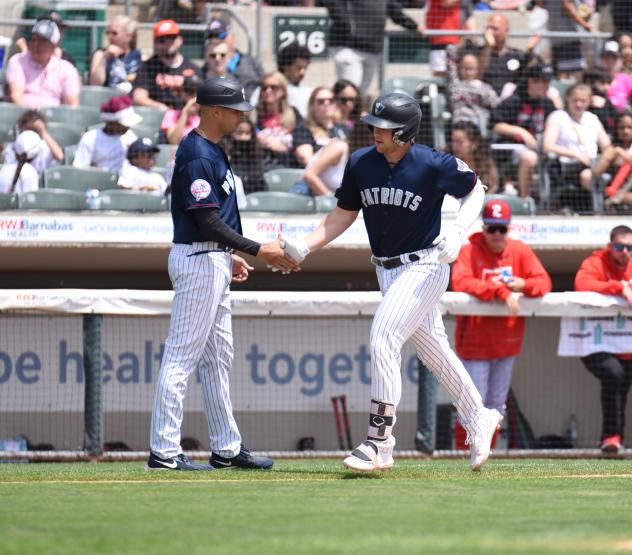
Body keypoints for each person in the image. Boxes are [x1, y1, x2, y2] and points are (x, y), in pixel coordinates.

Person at [281, 92, 502, 472]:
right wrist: (305, 246)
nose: (374, 131)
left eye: (383, 127)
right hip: (387, 269)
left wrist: (459, 230)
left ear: (404, 132)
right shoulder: (361, 162)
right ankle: (478, 416)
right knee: (434, 351)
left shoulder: (432, 163)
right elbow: (343, 214)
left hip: (427, 265)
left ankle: (380, 442)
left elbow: (476, 189)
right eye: (373, 124)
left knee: (383, 337)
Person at [147, 75, 299, 471]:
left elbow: (210, 225)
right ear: (215, 110)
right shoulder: (198, 153)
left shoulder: (213, 149)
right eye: (235, 110)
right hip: (199, 259)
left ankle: (226, 448)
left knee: (218, 359)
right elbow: (207, 221)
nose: (241, 117)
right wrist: (257, 248)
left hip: (211, 258)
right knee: (181, 356)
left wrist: (227, 253)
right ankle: (164, 452)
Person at [450, 199, 552, 449]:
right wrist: (499, 291)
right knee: (472, 405)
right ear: (483, 228)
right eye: (492, 228)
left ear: (509, 228)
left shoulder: (519, 251)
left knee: (496, 406)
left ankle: (487, 455)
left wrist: (523, 285)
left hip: (506, 344)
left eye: (502, 229)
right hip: (474, 346)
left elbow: (543, 282)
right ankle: (462, 458)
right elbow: (460, 282)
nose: (497, 234)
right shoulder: (469, 251)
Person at [574, 225, 632, 454]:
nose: (624, 251)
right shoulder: (595, 262)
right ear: (610, 246)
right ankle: (611, 437)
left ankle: (612, 440)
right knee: (614, 374)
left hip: (626, 345)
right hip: (593, 343)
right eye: (619, 246)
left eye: (629, 247)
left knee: (620, 386)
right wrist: (619, 288)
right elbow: (583, 284)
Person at [321, 0, 423, 92]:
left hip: (372, 49)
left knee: (361, 94)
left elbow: (395, 11)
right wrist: (348, 25)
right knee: (349, 91)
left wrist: (414, 26)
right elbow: (332, 3)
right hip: (348, 48)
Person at [542, 83, 613, 212]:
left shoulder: (592, 118)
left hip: (593, 165)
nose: (579, 104)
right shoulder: (558, 117)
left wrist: (604, 160)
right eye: (575, 100)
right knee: (588, 177)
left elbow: (607, 146)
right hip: (565, 167)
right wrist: (575, 154)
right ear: (567, 98)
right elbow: (547, 146)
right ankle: (600, 210)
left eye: (583, 101)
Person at [491, 62, 557, 199]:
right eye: (544, 82)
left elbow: (559, 121)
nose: (547, 86)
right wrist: (522, 132)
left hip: (540, 149)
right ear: (532, 82)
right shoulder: (515, 100)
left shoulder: (547, 103)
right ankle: (524, 200)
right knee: (529, 157)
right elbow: (495, 125)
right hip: (510, 150)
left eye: (548, 82)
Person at [5, 19, 80, 109]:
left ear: (54, 45)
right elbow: (16, 96)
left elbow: (72, 104)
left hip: (55, 118)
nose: (37, 44)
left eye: (44, 41)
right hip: (23, 118)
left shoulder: (67, 69)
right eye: (35, 39)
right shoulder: (17, 61)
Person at [132, 19, 201, 110]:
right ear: (155, 43)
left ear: (180, 40)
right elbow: (138, 98)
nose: (167, 43)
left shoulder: (193, 68)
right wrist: (162, 108)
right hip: (158, 119)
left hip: (187, 119)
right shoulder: (147, 68)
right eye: (162, 40)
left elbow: (201, 99)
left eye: (171, 37)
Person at [252, 71, 314, 172]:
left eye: (273, 87)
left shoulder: (294, 114)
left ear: (283, 91)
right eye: (264, 88)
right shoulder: (253, 116)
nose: (268, 91)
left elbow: (303, 142)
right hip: (260, 169)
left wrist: (283, 149)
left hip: (289, 166)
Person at [475, 13, 539, 98]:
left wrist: (530, 51)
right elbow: (477, 75)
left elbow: (529, 74)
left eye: (495, 29)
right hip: (484, 99)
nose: (490, 32)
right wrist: (488, 47)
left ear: (507, 31)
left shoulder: (516, 54)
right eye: (488, 29)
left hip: (510, 103)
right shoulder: (477, 52)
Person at [73, 95, 142, 173]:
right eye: (124, 124)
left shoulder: (129, 136)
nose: (128, 127)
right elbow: (80, 169)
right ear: (112, 123)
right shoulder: (90, 138)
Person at [206, 17, 263, 100]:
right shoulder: (205, 70)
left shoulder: (251, 63)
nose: (216, 40)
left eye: (221, 35)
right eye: (211, 36)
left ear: (231, 36)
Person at [446, 48, 500, 132]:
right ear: (459, 69)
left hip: (476, 126)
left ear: (477, 69)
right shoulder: (455, 84)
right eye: (465, 68)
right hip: (458, 124)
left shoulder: (484, 87)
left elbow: (496, 103)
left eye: (471, 68)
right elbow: (450, 55)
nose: (468, 72)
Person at [88, 15, 142, 94]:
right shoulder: (100, 54)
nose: (110, 37)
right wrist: (104, 57)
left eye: (114, 33)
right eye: (108, 33)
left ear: (129, 36)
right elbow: (95, 84)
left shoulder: (139, 57)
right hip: (107, 101)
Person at [543, 0, 593, 78]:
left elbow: (542, 4)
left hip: (556, 36)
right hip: (569, 37)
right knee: (575, 75)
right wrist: (585, 25)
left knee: (560, 75)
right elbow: (567, 5)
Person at [450, 121, 499, 194]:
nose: (455, 146)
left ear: (474, 144)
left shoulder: (486, 165)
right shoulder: (447, 163)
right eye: (453, 141)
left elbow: (493, 188)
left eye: (460, 142)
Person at [220, 118, 265, 194]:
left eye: (247, 133)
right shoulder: (222, 154)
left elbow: (261, 187)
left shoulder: (256, 157)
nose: (243, 137)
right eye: (239, 133)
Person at [161, 74, 202, 145]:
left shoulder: (207, 117)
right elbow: (174, 142)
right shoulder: (171, 114)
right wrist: (185, 113)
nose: (193, 97)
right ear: (182, 92)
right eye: (189, 91)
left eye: (198, 93)